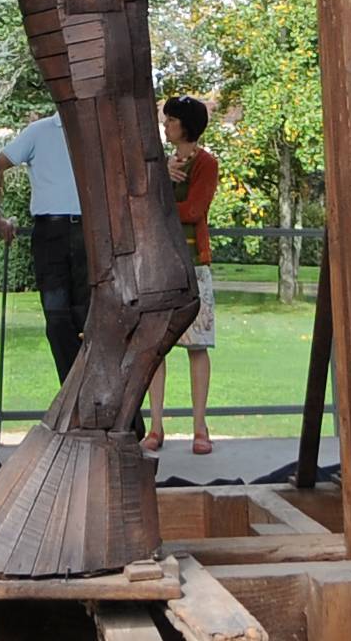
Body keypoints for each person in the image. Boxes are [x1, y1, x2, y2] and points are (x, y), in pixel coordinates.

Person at [0, 108, 89, 380]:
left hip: (90, 232)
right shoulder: (39, 131)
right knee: (57, 318)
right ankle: (70, 394)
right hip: (50, 232)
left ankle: (90, 397)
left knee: (88, 318)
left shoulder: (94, 128)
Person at [144, 96, 221, 455]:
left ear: (185, 126)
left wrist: (161, 203)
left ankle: (199, 426)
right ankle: (155, 425)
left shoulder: (206, 163)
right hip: (160, 262)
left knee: (197, 345)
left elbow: (194, 209)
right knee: (155, 349)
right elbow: (138, 198)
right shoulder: (157, 163)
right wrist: (160, 176)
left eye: (171, 120)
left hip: (194, 263)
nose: (165, 125)